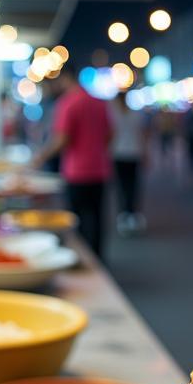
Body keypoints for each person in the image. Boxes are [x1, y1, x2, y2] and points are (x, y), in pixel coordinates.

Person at [32, 62, 111, 256]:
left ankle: (82, 259)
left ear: (65, 78)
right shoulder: (99, 102)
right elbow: (110, 134)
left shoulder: (68, 103)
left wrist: (39, 158)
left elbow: (61, 139)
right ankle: (98, 258)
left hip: (77, 172)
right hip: (100, 169)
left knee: (77, 221)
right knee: (97, 218)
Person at [109, 90, 149, 236]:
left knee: (123, 185)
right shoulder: (134, 114)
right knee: (132, 184)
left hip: (119, 153)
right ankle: (130, 214)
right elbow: (142, 134)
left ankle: (125, 214)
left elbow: (109, 135)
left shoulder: (113, 115)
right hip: (132, 153)